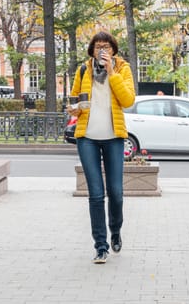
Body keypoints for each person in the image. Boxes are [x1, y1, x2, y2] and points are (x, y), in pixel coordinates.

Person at [67, 31, 135, 264]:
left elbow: (128, 101)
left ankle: (115, 230)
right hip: (87, 137)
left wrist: (111, 73)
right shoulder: (83, 70)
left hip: (114, 137)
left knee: (115, 192)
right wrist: (74, 108)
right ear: (92, 50)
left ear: (113, 49)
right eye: (98, 47)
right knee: (96, 194)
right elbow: (74, 98)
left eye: (106, 46)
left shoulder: (122, 69)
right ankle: (101, 246)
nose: (102, 50)